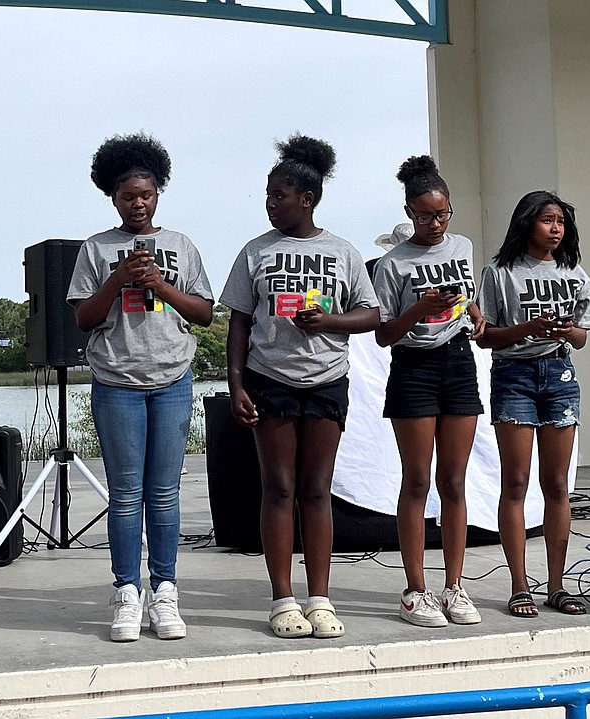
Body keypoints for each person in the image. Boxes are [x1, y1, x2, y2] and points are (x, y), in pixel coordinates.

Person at [220, 134, 379, 639]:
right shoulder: (256, 252)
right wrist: (237, 383)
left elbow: (372, 314)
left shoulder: (343, 251)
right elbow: (239, 323)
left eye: (279, 195)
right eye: (268, 195)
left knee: (316, 490)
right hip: (272, 380)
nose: (270, 204)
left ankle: (320, 598)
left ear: (306, 199)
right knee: (279, 487)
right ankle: (282, 599)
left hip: (327, 381)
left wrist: (330, 321)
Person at [67, 132, 214, 642]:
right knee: (126, 495)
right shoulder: (95, 248)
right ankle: (127, 593)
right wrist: (119, 278)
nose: (138, 203)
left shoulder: (181, 246)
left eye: (146, 195)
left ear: (159, 194)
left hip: (172, 377)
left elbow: (205, 314)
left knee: (165, 493)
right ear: (112, 197)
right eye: (128, 196)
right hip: (116, 382)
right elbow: (85, 318)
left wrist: (160, 285)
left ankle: (166, 591)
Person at [372, 155, 487, 628]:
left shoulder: (461, 245)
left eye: (443, 214)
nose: (436, 224)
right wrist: (420, 306)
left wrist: (474, 311)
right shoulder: (393, 263)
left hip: (458, 361)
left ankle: (454, 587)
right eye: (424, 216)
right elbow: (383, 334)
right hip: (414, 367)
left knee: (454, 482)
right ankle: (415, 590)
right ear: (408, 212)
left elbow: (466, 294)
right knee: (418, 480)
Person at [477, 191, 590, 618]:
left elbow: (583, 336)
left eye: (561, 221)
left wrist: (565, 331)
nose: (556, 228)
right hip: (514, 376)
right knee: (516, 482)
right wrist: (529, 327)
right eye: (547, 220)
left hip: (560, 377)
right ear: (527, 222)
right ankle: (520, 586)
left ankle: (558, 586)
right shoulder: (500, 272)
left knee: (558, 485)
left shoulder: (575, 273)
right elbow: (485, 335)